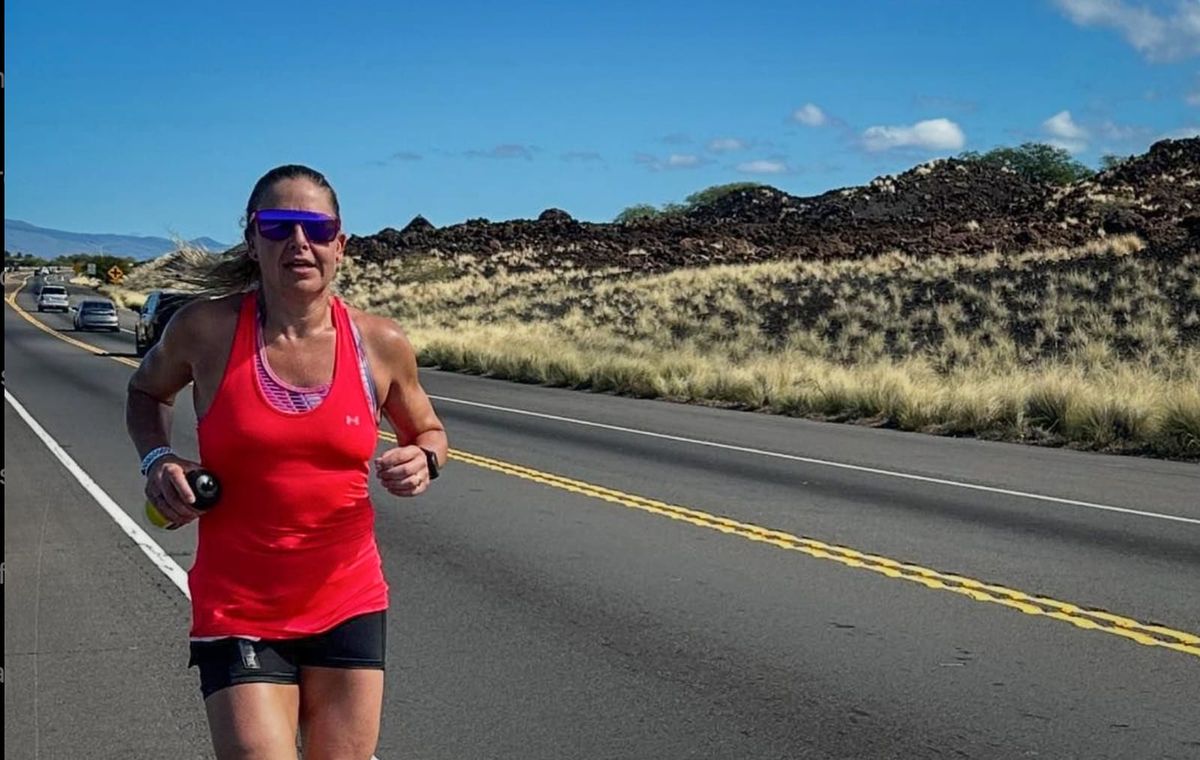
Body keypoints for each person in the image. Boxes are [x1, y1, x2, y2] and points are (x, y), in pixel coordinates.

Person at [125, 164, 448, 759]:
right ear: (252, 240)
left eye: (316, 228)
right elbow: (146, 392)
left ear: (340, 244)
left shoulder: (380, 343)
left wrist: (424, 459)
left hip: (348, 598)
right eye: (278, 226)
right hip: (240, 603)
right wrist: (158, 458)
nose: (299, 242)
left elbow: (427, 429)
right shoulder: (206, 330)